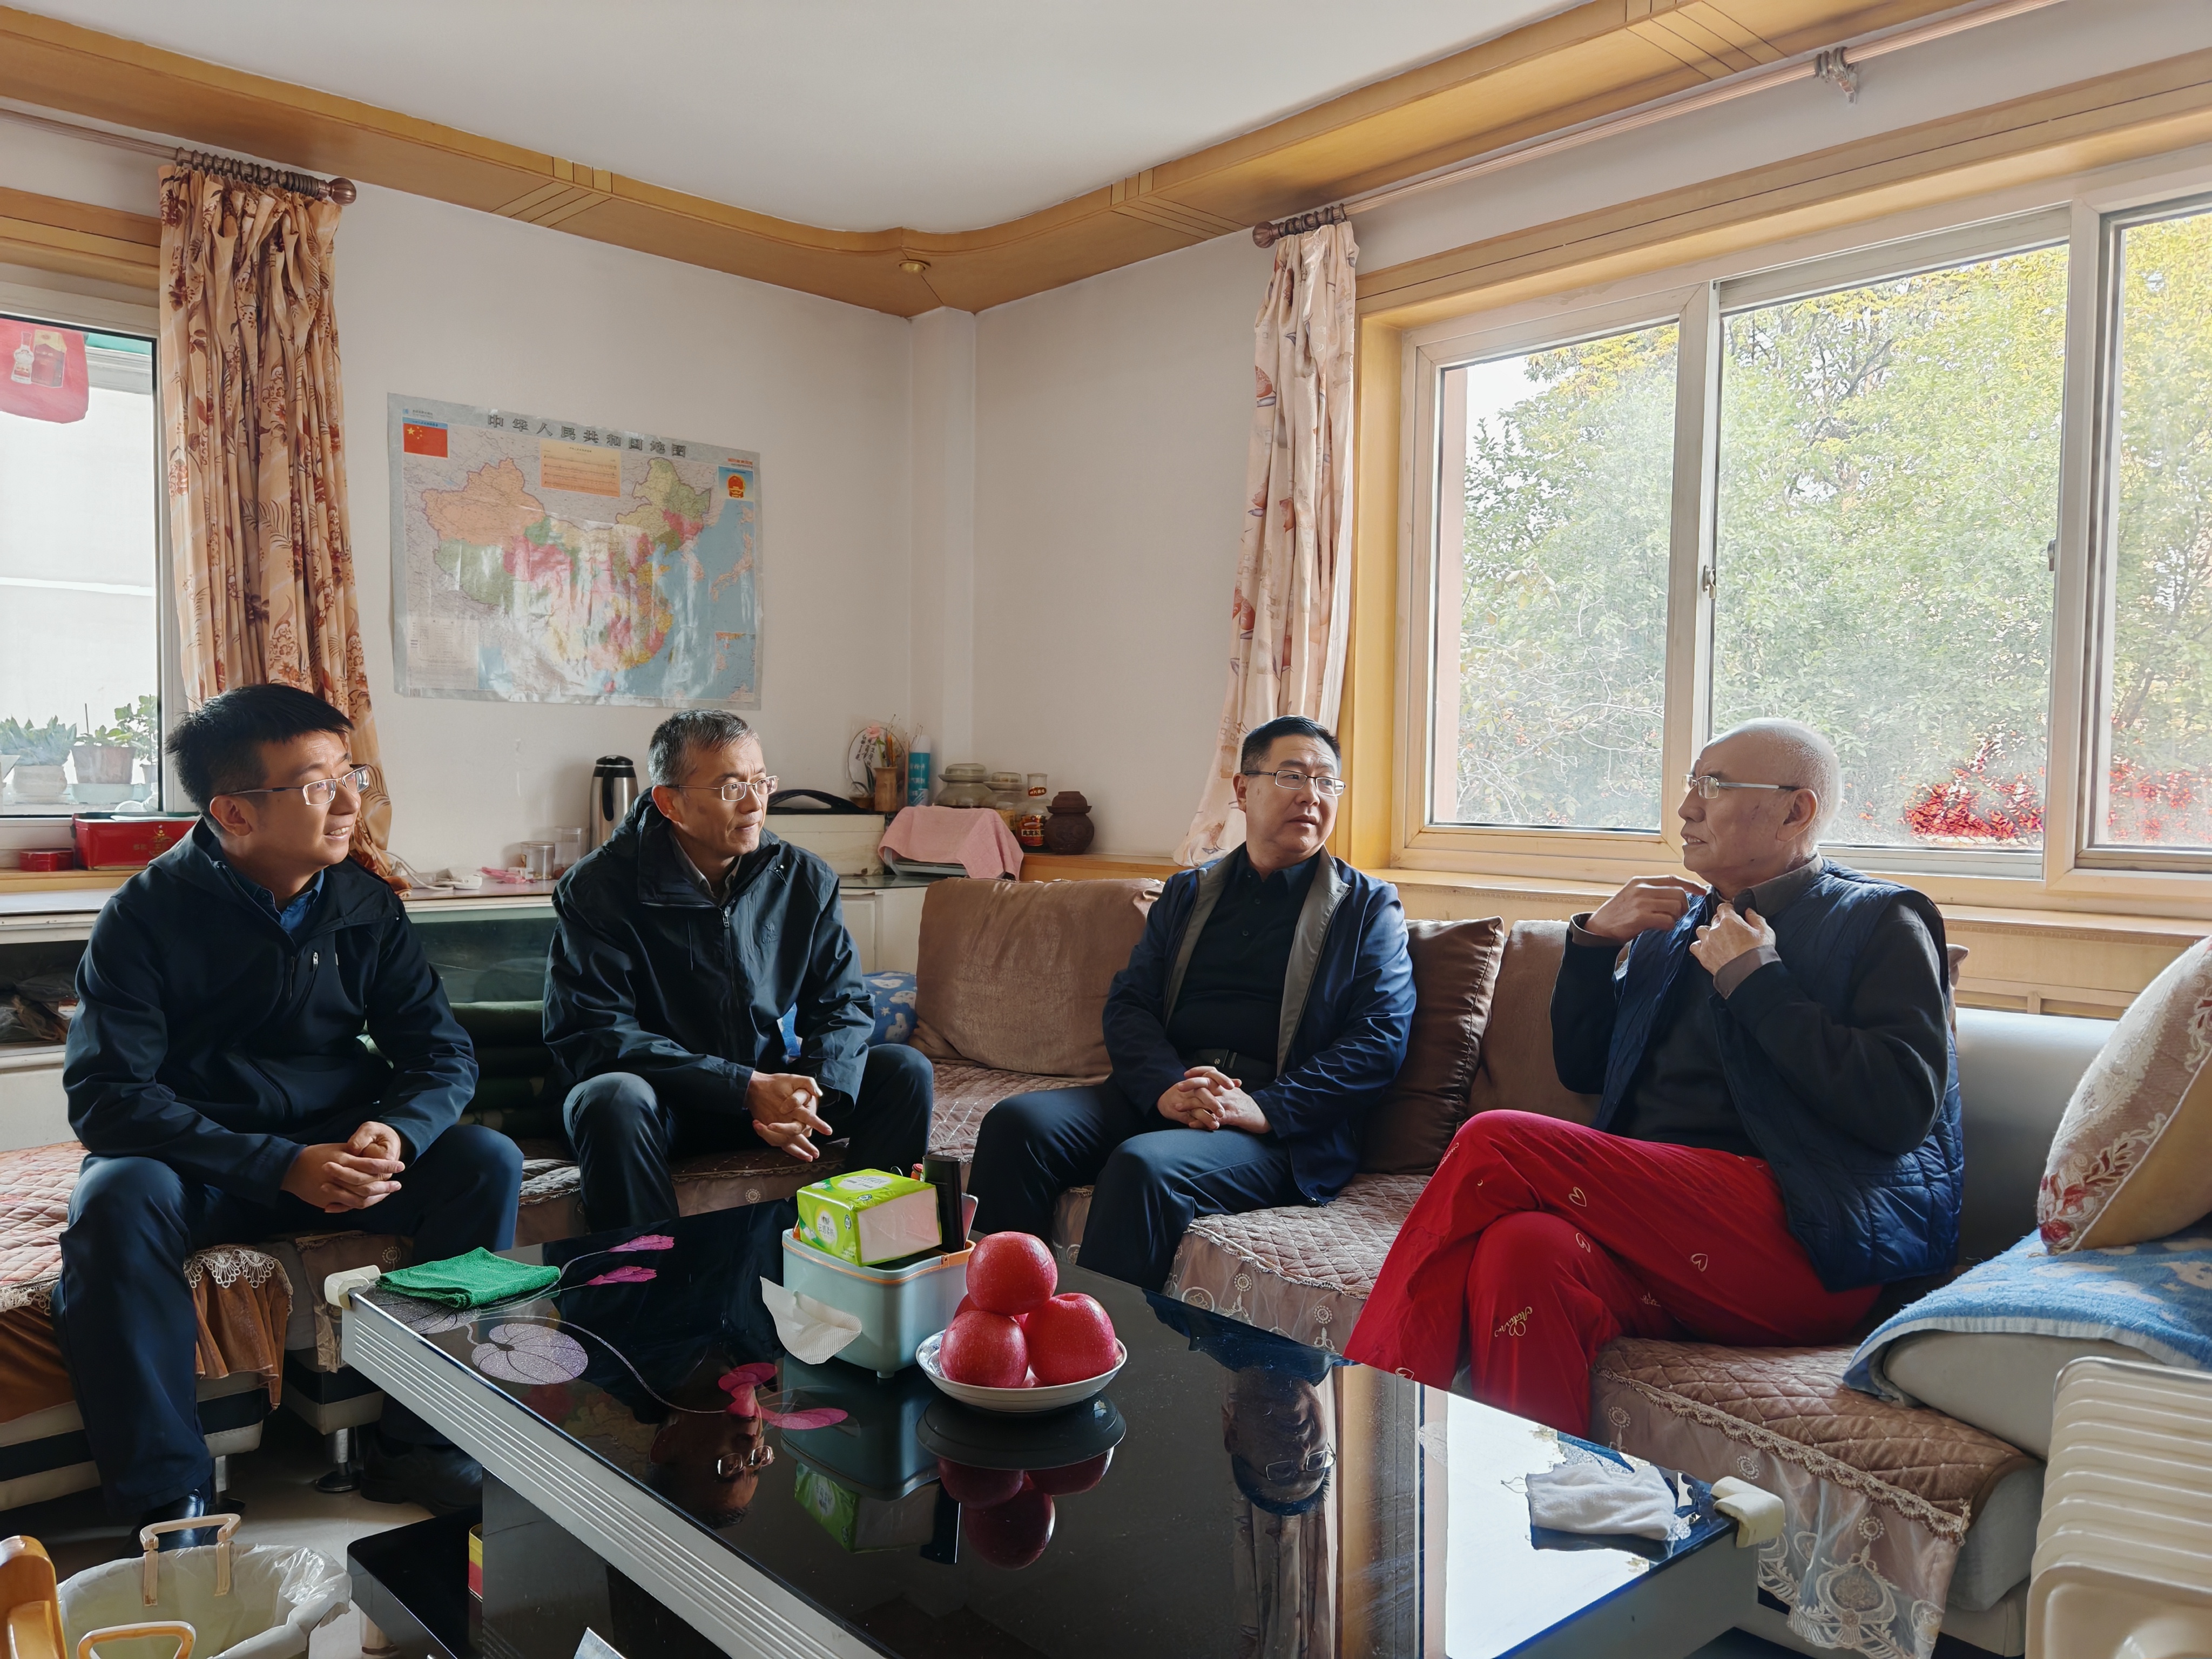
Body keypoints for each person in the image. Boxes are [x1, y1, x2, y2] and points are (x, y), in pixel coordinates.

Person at [1346, 719, 1963, 1435]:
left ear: (1797, 810)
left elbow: (1900, 1109)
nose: (1686, 808)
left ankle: (1374, 1415)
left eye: (1715, 787)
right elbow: (1585, 1071)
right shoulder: (1674, 924)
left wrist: (1757, 981)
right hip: (1662, 1239)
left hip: (1809, 1242)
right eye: (1691, 784)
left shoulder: (1881, 918)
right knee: (1522, 1252)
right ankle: (1552, 1483)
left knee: (1496, 1141)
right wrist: (1592, 945)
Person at [56, 685, 518, 1536]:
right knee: (115, 1200)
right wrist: (277, 1166)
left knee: (484, 1163)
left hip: (334, 1147)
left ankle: (422, 1441)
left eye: (350, 775)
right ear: (234, 812)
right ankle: (168, 1498)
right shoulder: (144, 916)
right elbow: (107, 1096)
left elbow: (441, 1054)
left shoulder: (365, 904)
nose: (348, 804)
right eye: (316, 785)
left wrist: (397, 1130)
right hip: (202, 1161)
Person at [966, 714, 1415, 1290]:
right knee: (1016, 1124)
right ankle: (994, 1316)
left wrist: (1265, 1108)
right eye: (1292, 775)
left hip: (1274, 1129)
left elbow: (1379, 1041)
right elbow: (1130, 1003)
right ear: (1243, 789)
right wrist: (1164, 1087)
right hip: (1170, 1090)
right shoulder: (1190, 891)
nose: (1312, 795)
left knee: (1143, 1166)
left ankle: (1093, 1340)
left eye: (1327, 782)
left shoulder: (1367, 907)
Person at [547, 710, 933, 1230]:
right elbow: (595, 1034)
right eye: (731, 788)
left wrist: (808, 1095)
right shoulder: (597, 890)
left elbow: (842, 1005)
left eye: (761, 782)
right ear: (670, 802)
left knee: (904, 1071)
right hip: (663, 1105)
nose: (755, 804)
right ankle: (651, 1275)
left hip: (764, 1096)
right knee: (610, 1098)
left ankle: (864, 1249)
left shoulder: (803, 878)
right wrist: (742, 1086)